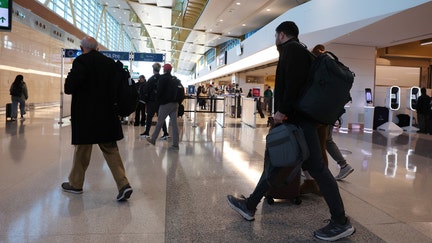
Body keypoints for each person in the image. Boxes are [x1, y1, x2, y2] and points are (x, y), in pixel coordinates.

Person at [226, 21, 355, 241]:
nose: (275, 39)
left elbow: (293, 85)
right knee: (281, 165)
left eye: (276, 35)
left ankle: (341, 221)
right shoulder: (298, 50)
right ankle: (249, 204)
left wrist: (281, 112)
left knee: (315, 169)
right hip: (301, 121)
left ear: (282, 35)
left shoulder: (292, 50)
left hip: (298, 122)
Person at [61, 36, 133, 201]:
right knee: (110, 149)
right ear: (98, 49)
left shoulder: (80, 62)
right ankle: (123, 184)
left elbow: (69, 88)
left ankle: (75, 184)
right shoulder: (109, 64)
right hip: (107, 114)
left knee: (82, 150)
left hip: (85, 114)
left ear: (81, 48)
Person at [146, 63, 180, 150]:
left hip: (165, 104)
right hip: (175, 104)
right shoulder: (174, 79)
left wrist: (158, 100)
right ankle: (175, 144)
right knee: (174, 124)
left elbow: (159, 91)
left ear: (164, 70)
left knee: (160, 122)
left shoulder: (163, 78)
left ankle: (153, 139)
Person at [139, 63, 169, 139]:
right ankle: (165, 133)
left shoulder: (151, 79)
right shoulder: (162, 78)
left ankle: (147, 132)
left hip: (152, 102)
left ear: (153, 70)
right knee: (161, 118)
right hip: (160, 102)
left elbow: (146, 89)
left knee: (149, 117)